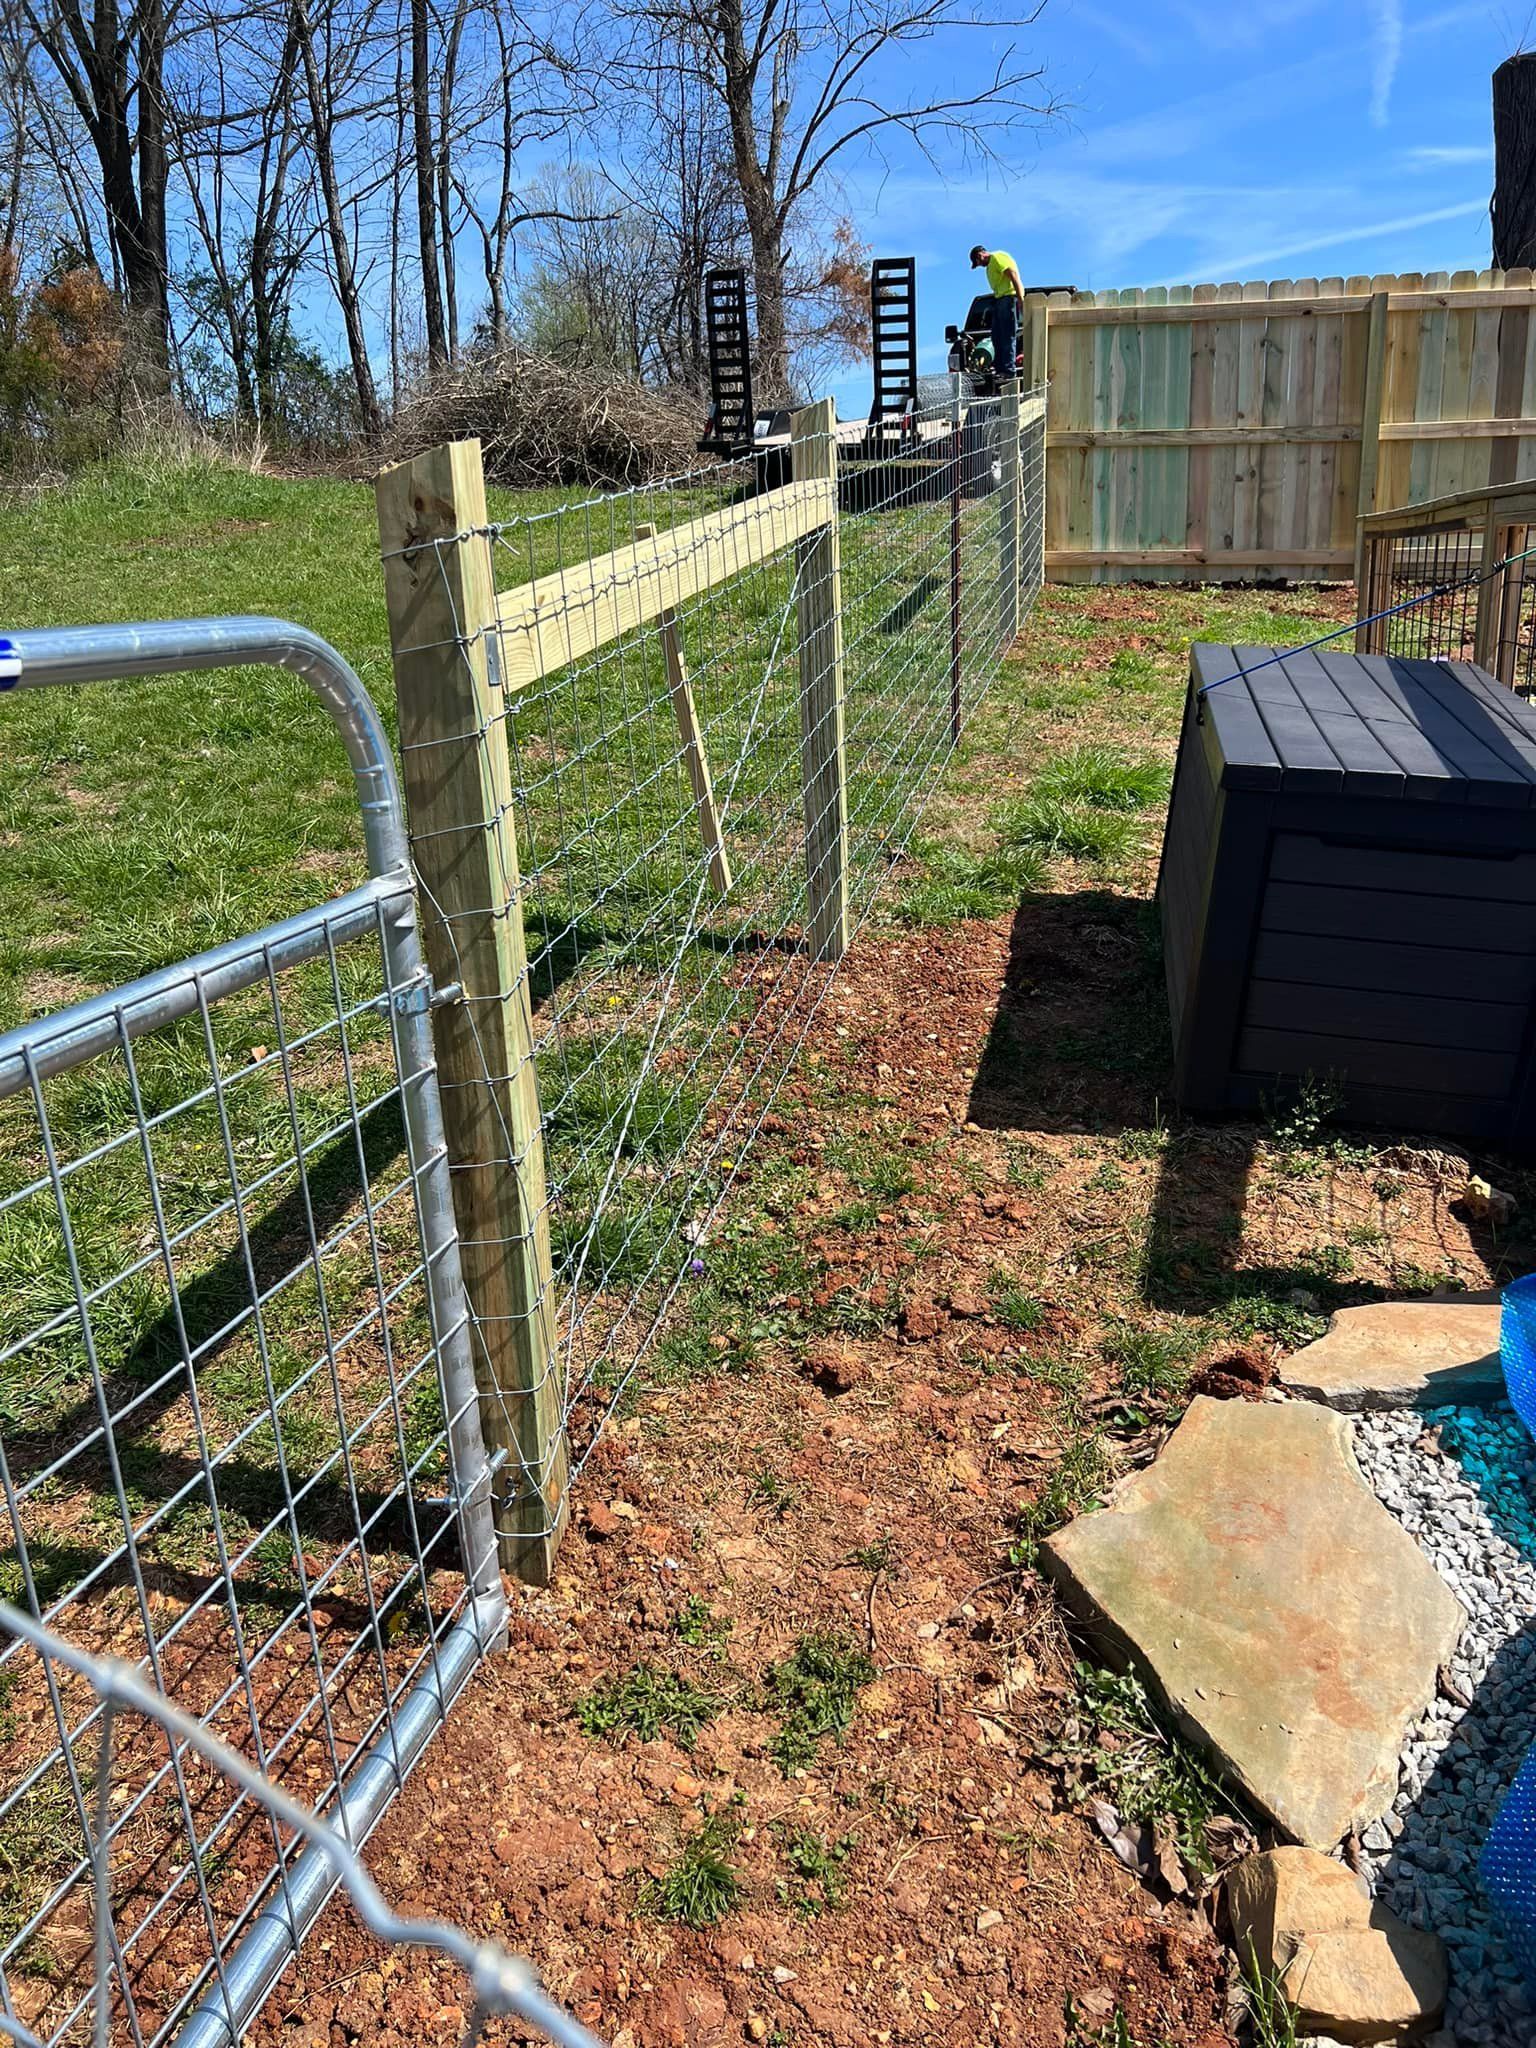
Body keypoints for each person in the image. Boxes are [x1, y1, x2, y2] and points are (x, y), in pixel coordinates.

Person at [969, 244, 1025, 376]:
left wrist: (1020, 299)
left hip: (1008, 298)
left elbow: (1013, 276)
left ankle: (1008, 370)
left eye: (977, 262)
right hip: (1000, 300)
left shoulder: (997, 258)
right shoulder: (990, 266)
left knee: (1007, 336)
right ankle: (1000, 369)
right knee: (997, 337)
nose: (979, 265)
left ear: (980, 255)